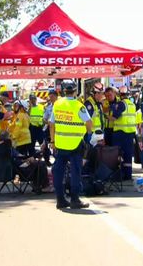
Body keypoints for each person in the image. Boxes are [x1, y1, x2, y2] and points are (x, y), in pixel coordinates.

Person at [49, 80, 93, 209]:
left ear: (63, 91)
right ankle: (75, 199)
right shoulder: (79, 106)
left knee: (58, 172)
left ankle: (60, 200)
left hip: (60, 143)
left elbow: (51, 124)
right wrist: (87, 134)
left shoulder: (57, 104)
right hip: (75, 144)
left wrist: (52, 141)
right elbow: (89, 123)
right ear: (75, 91)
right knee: (75, 172)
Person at [109, 86, 136, 180]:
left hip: (120, 133)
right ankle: (128, 175)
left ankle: (118, 175)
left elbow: (114, 118)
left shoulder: (121, 104)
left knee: (118, 154)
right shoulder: (132, 104)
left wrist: (105, 116)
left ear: (120, 95)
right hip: (130, 133)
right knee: (128, 155)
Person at [42, 89, 58, 166]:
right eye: (50, 96)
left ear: (56, 96)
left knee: (57, 147)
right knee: (45, 146)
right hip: (48, 129)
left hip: (58, 130)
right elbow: (44, 119)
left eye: (52, 96)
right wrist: (49, 122)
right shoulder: (48, 107)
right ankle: (47, 161)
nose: (51, 98)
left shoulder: (60, 106)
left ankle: (57, 161)